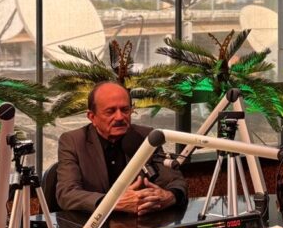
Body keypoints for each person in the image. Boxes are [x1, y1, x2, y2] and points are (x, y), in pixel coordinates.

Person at [55, 81, 187, 220]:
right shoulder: (73, 141)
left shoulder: (146, 137)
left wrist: (169, 196)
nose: (119, 117)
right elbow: (66, 194)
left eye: (125, 110)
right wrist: (112, 203)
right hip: (92, 225)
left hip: (138, 224)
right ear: (92, 117)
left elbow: (176, 182)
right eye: (110, 111)